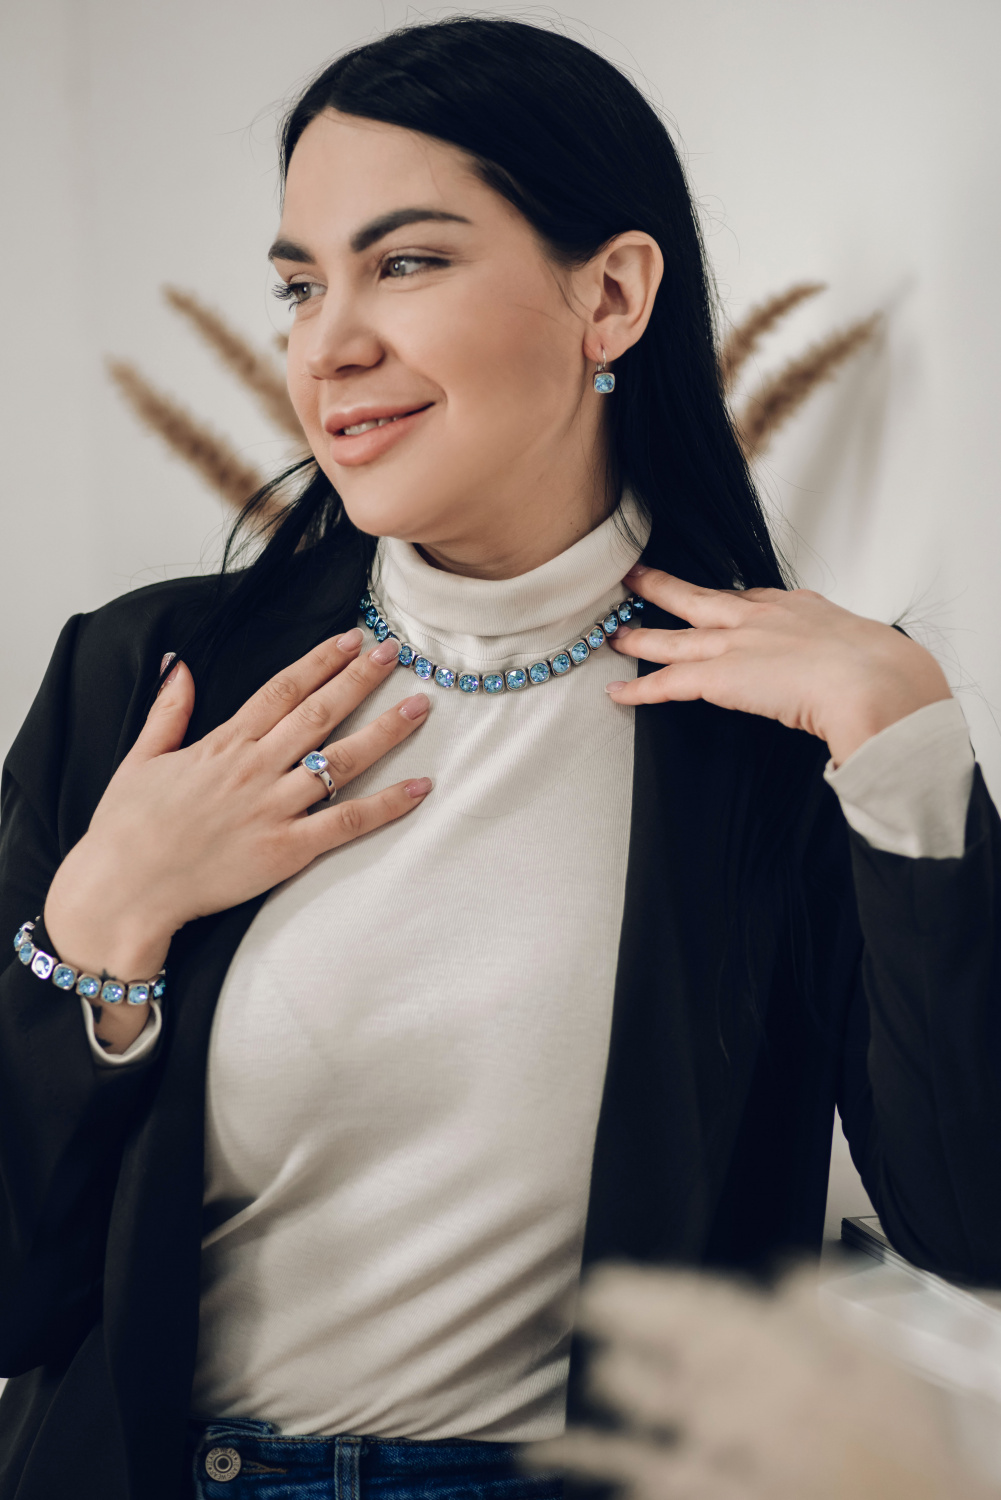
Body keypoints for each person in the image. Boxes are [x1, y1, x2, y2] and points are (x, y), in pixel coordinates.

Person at [2, 15, 999, 1500]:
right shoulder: (150, 681)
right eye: (300, 284)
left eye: (405, 263)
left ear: (612, 297)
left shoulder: (779, 732)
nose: (329, 343)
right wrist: (102, 924)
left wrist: (908, 752)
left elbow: (970, 1224)